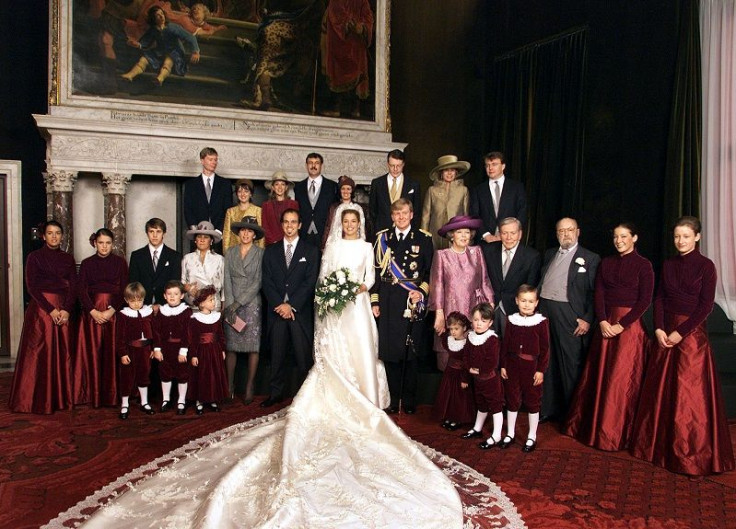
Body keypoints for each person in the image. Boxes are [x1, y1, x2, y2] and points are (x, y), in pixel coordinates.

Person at [79, 202, 463, 529]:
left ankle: (361, 394)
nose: (349, 225)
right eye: (344, 221)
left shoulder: (365, 245)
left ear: (358, 223)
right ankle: (281, 393)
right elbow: (309, 277)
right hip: (304, 307)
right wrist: (316, 294)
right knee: (282, 356)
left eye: (352, 221)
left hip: (352, 307)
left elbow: (355, 277)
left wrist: (346, 290)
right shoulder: (287, 248)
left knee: (350, 350)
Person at [630, 217, 735, 476]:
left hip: (691, 334)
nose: (680, 241)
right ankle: (658, 449)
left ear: (697, 237)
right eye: (677, 236)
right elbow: (662, 298)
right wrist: (659, 328)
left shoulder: (706, 266)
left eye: (686, 236)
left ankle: (689, 455)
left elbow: (705, 306)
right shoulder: (668, 264)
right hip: (666, 332)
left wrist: (680, 333)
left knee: (689, 396)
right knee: (662, 392)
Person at [563, 223, 654, 451]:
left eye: (623, 236)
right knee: (600, 376)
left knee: (621, 380)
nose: (619, 240)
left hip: (629, 328)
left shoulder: (644, 266)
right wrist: (603, 321)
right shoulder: (607, 262)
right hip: (605, 324)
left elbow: (644, 301)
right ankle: (596, 429)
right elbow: (599, 293)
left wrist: (621, 325)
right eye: (615, 236)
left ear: (635, 238)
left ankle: (615, 433)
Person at [371, 198, 433, 414]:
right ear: (392, 216)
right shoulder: (383, 238)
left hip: (411, 299)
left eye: (405, 213)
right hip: (388, 299)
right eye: (397, 214)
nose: (401, 217)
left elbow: (428, 272)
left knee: (409, 351)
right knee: (389, 352)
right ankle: (393, 396)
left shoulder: (423, 239)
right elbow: (377, 273)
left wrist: (421, 291)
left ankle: (408, 400)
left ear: (412, 214)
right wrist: (375, 300)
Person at [9, 220, 76, 414]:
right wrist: (51, 310)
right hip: (41, 311)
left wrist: (66, 309)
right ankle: (34, 399)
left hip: (63, 309)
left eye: (57, 233)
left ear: (62, 236)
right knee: (39, 354)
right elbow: (32, 287)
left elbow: (74, 286)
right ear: (43, 236)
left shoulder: (68, 258)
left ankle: (61, 398)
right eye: (50, 233)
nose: (54, 236)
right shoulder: (34, 257)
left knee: (63, 354)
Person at [538, 217, 600, 421]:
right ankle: (547, 409)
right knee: (547, 361)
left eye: (569, 230)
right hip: (545, 310)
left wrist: (587, 319)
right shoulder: (548, 254)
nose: (565, 234)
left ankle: (572, 415)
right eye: (561, 231)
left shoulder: (590, 258)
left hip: (570, 315)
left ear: (578, 232)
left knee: (570, 363)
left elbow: (594, 293)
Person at [260, 208, 320, 406]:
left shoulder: (310, 251)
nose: (289, 226)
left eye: (293, 222)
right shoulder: (270, 251)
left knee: (303, 357)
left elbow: (310, 282)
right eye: (286, 222)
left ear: (300, 225)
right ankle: (275, 394)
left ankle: (304, 397)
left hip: (298, 312)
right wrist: (280, 304)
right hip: (277, 312)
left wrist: (291, 305)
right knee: (277, 356)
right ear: (281, 224)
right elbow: (266, 281)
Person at [429, 215, 494, 370]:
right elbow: (437, 285)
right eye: (459, 232)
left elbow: (484, 279)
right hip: (451, 309)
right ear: (452, 235)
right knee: (450, 358)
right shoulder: (442, 255)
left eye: (467, 232)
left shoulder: (477, 252)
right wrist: (439, 313)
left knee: (472, 356)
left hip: (474, 309)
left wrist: (490, 305)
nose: (464, 236)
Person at [73, 228, 128, 408]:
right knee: (93, 352)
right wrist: (93, 312)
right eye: (101, 243)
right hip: (92, 315)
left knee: (112, 352)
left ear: (113, 244)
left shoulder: (120, 263)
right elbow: (81, 290)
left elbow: (124, 290)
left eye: (108, 243)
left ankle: (112, 395)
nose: (104, 246)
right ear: (95, 243)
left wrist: (111, 311)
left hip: (114, 314)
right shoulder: (87, 263)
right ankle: (93, 394)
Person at [500, 285, 550, 453]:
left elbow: (545, 349)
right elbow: (505, 345)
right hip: (512, 366)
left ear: (536, 303)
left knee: (532, 401)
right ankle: (511, 433)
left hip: (532, 368)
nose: (526, 305)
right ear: (516, 301)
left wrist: (540, 370)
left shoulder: (541, 322)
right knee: (512, 399)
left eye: (530, 301)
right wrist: (503, 365)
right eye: (523, 301)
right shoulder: (511, 320)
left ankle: (531, 436)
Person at [223, 216, 265, 405]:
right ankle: (229, 386)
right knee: (231, 346)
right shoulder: (230, 252)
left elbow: (258, 282)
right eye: (243, 230)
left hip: (251, 304)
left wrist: (239, 302)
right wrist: (231, 304)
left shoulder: (261, 253)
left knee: (252, 347)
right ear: (238, 233)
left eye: (250, 231)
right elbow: (226, 279)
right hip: (232, 303)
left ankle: (249, 386)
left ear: (254, 234)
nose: (246, 234)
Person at [482, 217, 542, 337]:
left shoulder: (532, 256)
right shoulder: (488, 250)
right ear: (500, 234)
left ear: (520, 234)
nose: (509, 237)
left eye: (513, 233)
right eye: (504, 233)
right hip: (489, 310)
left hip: (514, 311)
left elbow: (530, 287)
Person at [460, 302, 504, 450]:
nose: (478, 324)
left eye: (483, 321)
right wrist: (468, 369)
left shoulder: (492, 339)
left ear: (490, 323)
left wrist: (479, 370)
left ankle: (497, 435)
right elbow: (465, 356)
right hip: (477, 380)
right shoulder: (471, 336)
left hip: (490, 380)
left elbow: (492, 361)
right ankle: (477, 428)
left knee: (495, 405)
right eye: (476, 320)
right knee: (481, 403)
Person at [120, 5, 201, 86]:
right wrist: (138, 45)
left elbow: (190, 37)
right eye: (157, 15)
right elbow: (145, 42)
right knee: (143, 59)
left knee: (168, 61)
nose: (161, 16)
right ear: (153, 19)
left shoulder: (172, 27)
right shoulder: (153, 29)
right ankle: (130, 75)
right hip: (160, 53)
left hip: (175, 53)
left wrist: (195, 51)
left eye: (161, 14)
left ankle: (160, 78)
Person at [320, 0, 374, 118]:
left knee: (358, 74)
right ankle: (337, 107)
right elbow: (335, 15)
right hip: (339, 43)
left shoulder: (363, 1)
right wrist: (349, 25)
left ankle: (355, 108)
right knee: (339, 74)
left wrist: (363, 27)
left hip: (357, 45)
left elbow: (368, 16)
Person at [469, 151, 527, 245]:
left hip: (510, 239)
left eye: (494, 164)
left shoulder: (516, 187)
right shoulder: (478, 190)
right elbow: (474, 215)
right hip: (486, 241)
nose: (490, 168)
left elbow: (522, 211)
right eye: (487, 165)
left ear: (503, 166)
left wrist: (511, 233)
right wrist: (485, 234)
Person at [152, 280, 192, 415]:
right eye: (169, 294)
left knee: (182, 374)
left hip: (180, 349)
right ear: (164, 296)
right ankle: (166, 399)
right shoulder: (161, 311)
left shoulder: (186, 311)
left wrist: (183, 351)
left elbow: (188, 333)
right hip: (165, 348)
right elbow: (156, 331)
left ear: (182, 296)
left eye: (176, 294)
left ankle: (181, 400)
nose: (172, 297)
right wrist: (157, 349)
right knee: (165, 373)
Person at [116, 282, 155, 420]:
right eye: (133, 301)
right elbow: (120, 336)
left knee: (144, 375)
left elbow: (154, 332)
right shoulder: (123, 315)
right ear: (127, 300)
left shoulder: (148, 313)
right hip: (130, 350)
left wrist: (152, 348)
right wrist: (123, 353)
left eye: (139, 300)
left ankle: (144, 402)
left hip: (145, 350)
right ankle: (125, 404)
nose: (137, 304)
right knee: (127, 377)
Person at [188, 286, 228, 414]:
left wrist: (222, 349)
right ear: (201, 303)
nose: (214, 302)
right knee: (202, 375)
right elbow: (193, 339)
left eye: (214, 299)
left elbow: (220, 335)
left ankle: (212, 399)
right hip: (202, 352)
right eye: (211, 300)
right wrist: (193, 355)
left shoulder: (216, 317)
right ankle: (200, 400)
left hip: (214, 351)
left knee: (213, 375)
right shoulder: (195, 319)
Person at [432, 311, 475, 431]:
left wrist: (465, 378)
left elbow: (467, 363)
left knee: (459, 398)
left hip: (460, 374)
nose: (453, 331)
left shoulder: (467, 344)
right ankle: (449, 417)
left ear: (464, 328)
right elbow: (442, 333)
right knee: (449, 397)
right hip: (449, 373)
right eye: (451, 329)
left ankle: (458, 419)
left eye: (456, 328)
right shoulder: (449, 339)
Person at [128, 217, 182, 307]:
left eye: (158, 231)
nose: (155, 235)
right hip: (141, 305)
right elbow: (133, 283)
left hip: (167, 305)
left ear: (164, 233)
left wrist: (161, 304)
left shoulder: (174, 256)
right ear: (147, 233)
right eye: (151, 231)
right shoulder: (137, 256)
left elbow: (175, 283)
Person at [421, 154, 470, 250]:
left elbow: (466, 215)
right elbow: (425, 216)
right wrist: (424, 236)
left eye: (452, 170)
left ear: (456, 172)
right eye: (446, 170)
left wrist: (466, 236)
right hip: (435, 233)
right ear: (441, 173)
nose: (449, 173)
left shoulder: (463, 190)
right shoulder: (432, 190)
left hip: (456, 234)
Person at [182, 147, 233, 238]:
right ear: (202, 160)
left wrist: (219, 231)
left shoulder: (225, 184)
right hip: (198, 234)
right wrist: (195, 230)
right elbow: (188, 209)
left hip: (219, 235)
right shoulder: (191, 185)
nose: (214, 162)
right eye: (210, 159)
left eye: (215, 160)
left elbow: (228, 210)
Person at [369, 149, 421, 234]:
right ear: (387, 164)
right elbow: (372, 211)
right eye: (392, 165)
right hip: (382, 232)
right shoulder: (377, 183)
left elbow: (417, 212)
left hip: (406, 233)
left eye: (399, 166)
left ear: (403, 164)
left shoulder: (413, 184)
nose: (395, 169)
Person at [293, 152, 338, 247]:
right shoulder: (298, 187)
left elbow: (335, 210)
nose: (313, 166)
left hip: (325, 234)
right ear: (306, 165)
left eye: (317, 163)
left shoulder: (332, 186)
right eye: (310, 163)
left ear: (321, 165)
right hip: (304, 233)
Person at [181, 221, 225, 310]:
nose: (202, 240)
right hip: (193, 304)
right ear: (195, 240)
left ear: (211, 240)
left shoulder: (219, 259)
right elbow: (182, 283)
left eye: (206, 237)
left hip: (213, 305)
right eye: (199, 236)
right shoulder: (187, 258)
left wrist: (223, 308)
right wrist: (187, 288)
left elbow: (224, 286)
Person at [320, 175, 370, 249]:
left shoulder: (358, 208)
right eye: (343, 189)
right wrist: (324, 244)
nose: (345, 191)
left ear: (352, 190)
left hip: (354, 244)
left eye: (348, 189)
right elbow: (328, 226)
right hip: (336, 244)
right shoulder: (334, 207)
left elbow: (363, 228)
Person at [222, 178, 264, 252]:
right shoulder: (230, 211)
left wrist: (261, 253)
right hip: (234, 252)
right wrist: (226, 253)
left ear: (251, 194)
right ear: (237, 194)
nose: (243, 194)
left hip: (252, 252)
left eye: (246, 191)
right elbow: (226, 234)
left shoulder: (258, 211)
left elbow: (261, 234)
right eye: (240, 191)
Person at [261, 170, 300, 245]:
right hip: (271, 244)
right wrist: (274, 242)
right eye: (276, 184)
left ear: (286, 187)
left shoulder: (294, 204)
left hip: (289, 243)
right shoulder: (266, 205)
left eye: (282, 184)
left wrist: (287, 241)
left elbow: (295, 225)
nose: (280, 187)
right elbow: (265, 227)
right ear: (272, 187)